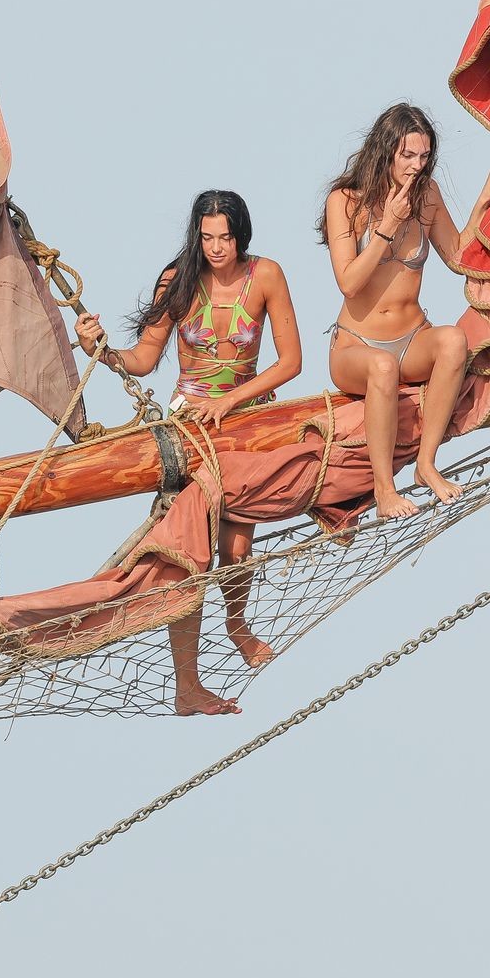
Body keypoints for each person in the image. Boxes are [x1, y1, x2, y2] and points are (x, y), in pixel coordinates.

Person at [75, 190, 302, 715]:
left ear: (241, 235)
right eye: (208, 237)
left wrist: (230, 401)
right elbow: (142, 359)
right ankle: (188, 686)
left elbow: (291, 362)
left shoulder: (266, 275)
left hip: (247, 423)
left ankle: (237, 626)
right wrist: (98, 350)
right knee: (187, 556)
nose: (217, 247)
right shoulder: (177, 280)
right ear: (196, 236)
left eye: (226, 237)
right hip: (189, 427)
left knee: (237, 548)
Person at [320, 103, 490, 519]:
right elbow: (349, 283)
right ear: (385, 150)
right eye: (407, 155)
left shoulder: (426, 196)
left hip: (412, 340)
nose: (416, 165)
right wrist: (387, 227)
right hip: (357, 346)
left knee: (454, 341)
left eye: (424, 156)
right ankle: (384, 490)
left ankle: (427, 464)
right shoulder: (345, 201)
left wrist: (485, 198)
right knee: (383, 368)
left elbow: (457, 255)